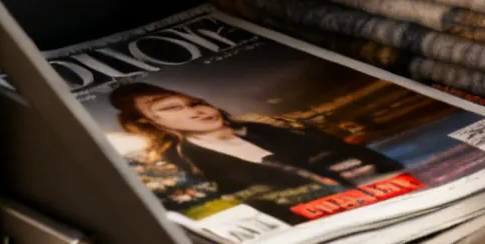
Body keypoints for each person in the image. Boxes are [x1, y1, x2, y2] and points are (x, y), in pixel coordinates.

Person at [109, 83, 403, 204]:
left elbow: (357, 154)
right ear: (150, 124)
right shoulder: (189, 162)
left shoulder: (270, 128)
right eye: (173, 109)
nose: (197, 111)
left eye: (195, 102)